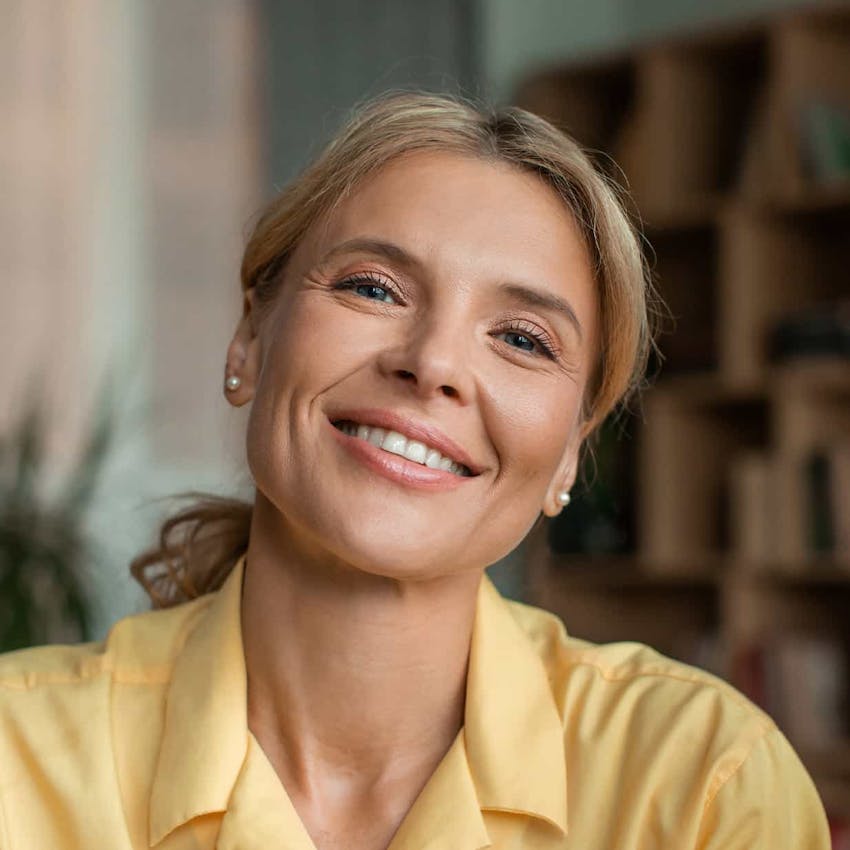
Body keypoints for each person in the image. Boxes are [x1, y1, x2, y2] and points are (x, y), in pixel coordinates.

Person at [0, 92, 830, 850]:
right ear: (251, 338)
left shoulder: (700, 790)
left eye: (522, 339)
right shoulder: (16, 759)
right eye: (373, 288)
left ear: (572, 451)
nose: (433, 363)